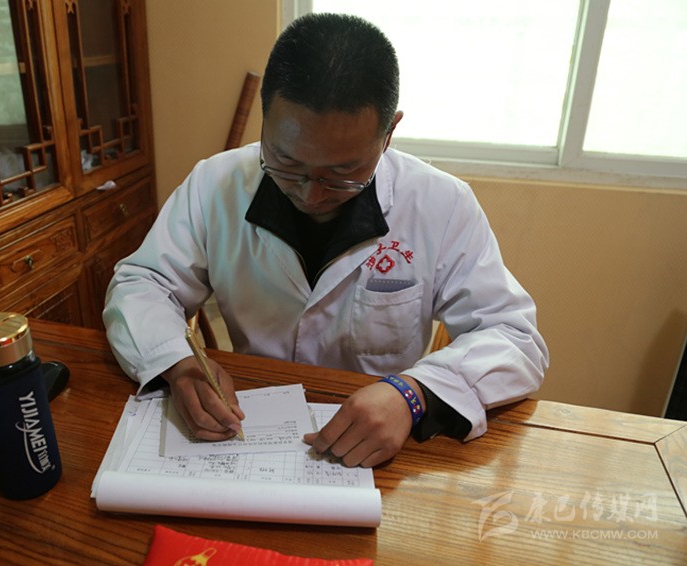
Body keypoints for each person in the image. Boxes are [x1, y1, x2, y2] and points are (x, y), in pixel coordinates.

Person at [104, 13, 548, 468]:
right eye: (285, 161)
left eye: (341, 172)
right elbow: (142, 283)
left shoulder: (441, 204)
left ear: (389, 133)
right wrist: (176, 362)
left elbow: (514, 339)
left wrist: (412, 394)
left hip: (382, 445)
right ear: (265, 117)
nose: (310, 194)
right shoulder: (214, 184)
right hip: (251, 424)